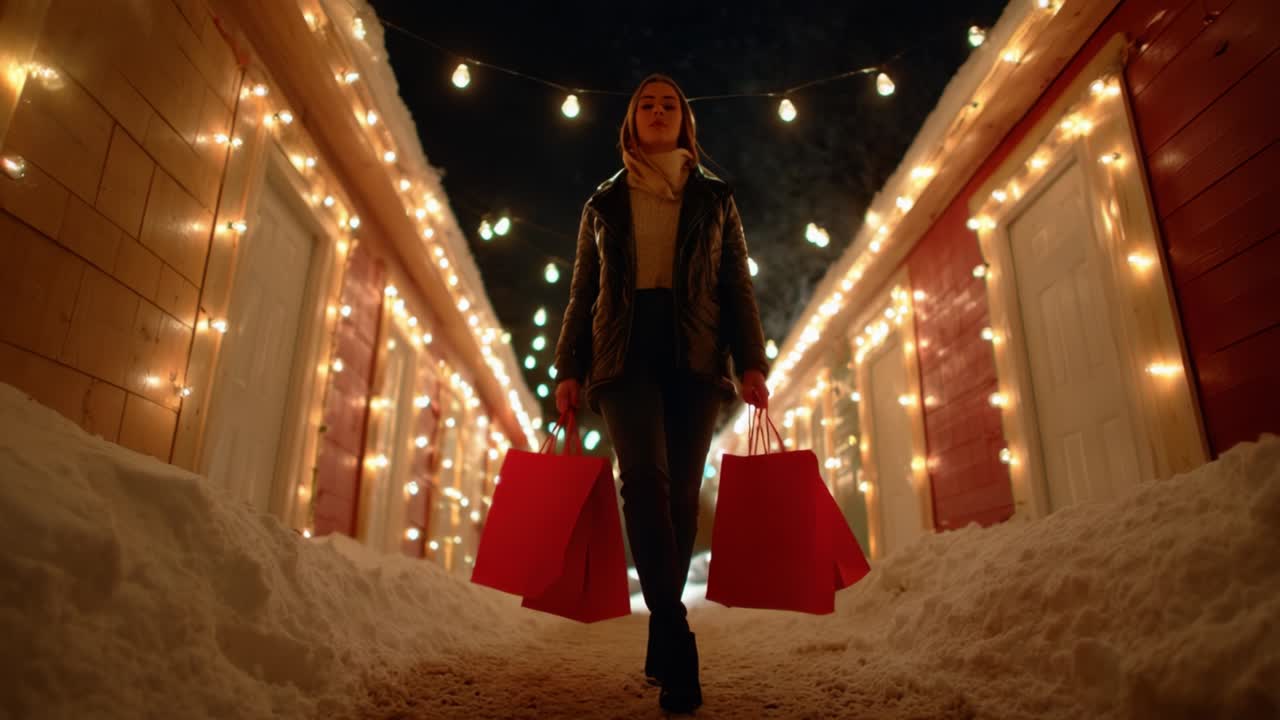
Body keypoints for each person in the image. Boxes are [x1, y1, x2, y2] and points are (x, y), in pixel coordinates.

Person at [552, 73, 770, 714]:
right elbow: (581, 293)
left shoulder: (716, 198)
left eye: (667, 104)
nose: (656, 110)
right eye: (645, 103)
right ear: (630, 122)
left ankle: (659, 627)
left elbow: (737, 286)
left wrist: (752, 360)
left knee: (678, 495)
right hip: (621, 354)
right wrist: (568, 366)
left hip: (696, 353)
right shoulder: (602, 204)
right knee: (642, 480)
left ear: (683, 122)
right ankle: (675, 635)